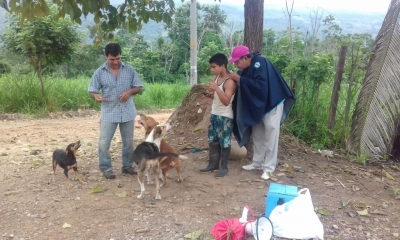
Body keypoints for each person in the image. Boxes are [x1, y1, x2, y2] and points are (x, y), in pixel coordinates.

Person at [227, 45, 295, 180]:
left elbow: (261, 86)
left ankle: (269, 168)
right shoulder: (246, 69)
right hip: (258, 106)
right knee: (257, 134)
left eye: (237, 61)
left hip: (272, 104)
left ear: (245, 58)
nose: (236, 64)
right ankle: (257, 163)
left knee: (271, 136)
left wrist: (240, 79)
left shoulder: (260, 63)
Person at [88, 43, 143, 179]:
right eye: (112, 59)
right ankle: (106, 168)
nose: (115, 62)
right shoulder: (99, 72)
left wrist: (129, 92)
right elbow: (92, 90)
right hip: (109, 112)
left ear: (121, 55)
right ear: (106, 57)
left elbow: (138, 87)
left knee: (128, 141)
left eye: (118, 58)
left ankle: (127, 166)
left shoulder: (129, 70)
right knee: (104, 142)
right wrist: (96, 96)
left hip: (127, 112)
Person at [200, 53, 237, 178]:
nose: (212, 70)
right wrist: (210, 95)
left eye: (214, 67)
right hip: (215, 114)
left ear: (222, 66)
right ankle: (213, 164)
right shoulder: (217, 79)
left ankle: (224, 167)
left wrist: (216, 89)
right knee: (213, 140)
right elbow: (219, 98)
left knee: (224, 141)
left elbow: (226, 101)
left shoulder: (229, 81)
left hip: (225, 116)